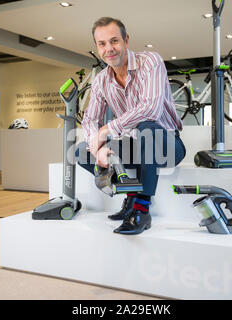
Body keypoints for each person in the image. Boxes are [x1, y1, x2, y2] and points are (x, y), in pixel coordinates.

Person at [76, 17, 186, 235]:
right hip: (135, 146)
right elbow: (89, 120)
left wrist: (106, 131)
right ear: (97, 47)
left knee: (147, 127)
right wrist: (97, 146)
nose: (109, 49)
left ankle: (141, 209)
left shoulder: (150, 62)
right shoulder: (101, 81)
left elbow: (150, 109)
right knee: (81, 152)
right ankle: (131, 195)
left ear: (126, 40)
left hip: (166, 144)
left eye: (114, 41)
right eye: (102, 44)